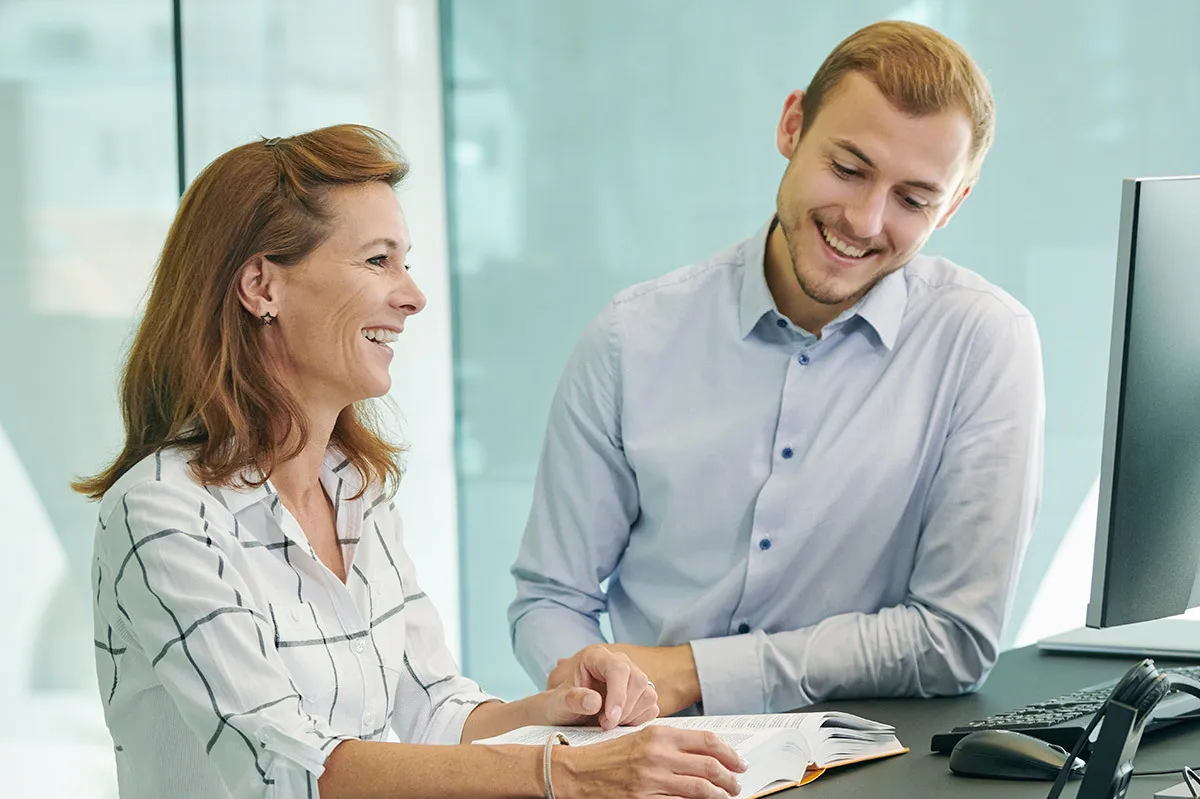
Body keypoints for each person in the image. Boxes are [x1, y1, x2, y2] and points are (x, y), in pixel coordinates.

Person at [77, 125, 747, 799]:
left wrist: (567, 707)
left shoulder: (355, 490)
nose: (413, 295)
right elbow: (291, 771)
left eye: (406, 261)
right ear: (261, 286)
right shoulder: (163, 510)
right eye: (378, 261)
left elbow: (439, 710)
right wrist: (564, 771)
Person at [509, 20, 1045, 718]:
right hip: (651, 753)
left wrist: (695, 671)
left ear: (953, 205)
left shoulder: (984, 343)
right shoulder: (630, 338)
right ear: (792, 126)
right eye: (848, 168)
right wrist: (601, 693)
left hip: (871, 765)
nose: (863, 219)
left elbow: (953, 636)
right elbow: (550, 597)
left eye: (913, 199)